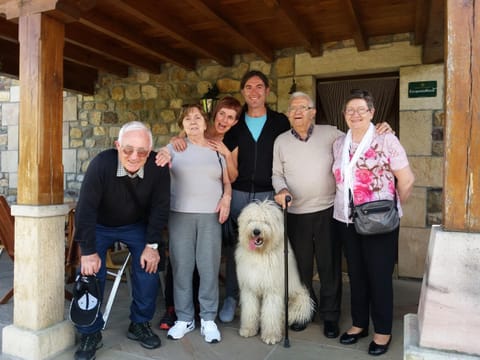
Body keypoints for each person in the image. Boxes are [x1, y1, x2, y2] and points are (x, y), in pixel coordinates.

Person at [272, 92, 393, 338]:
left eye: (303, 107)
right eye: (292, 108)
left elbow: (360, 138)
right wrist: (281, 188)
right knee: (301, 267)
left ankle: (330, 316)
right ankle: (304, 311)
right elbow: (276, 173)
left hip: (328, 210)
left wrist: (382, 129)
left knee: (329, 267)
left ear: (313, 112)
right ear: (287, 114)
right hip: (296, 212)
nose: (297, 112)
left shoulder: (332, 134)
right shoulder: (281, 141)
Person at [73, 121, 170, 360]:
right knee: (90, 272)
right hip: (100, 225)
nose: (135, 156)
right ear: (117, 146)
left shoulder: (158, 167)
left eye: (142, 151)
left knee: (149, 266)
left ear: (150, 151)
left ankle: (139, 323)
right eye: (128, 149)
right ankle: (90, 332)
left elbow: (160, 207)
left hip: (135, 225)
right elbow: (84, 209)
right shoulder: (101, 165)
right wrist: (87, 251)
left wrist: (152, 245)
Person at [332, 89, 414, 356]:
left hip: (380, 222)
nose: (355, 114)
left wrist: (393, 207)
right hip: (347, 219)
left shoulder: (386, 139)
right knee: (356, 275)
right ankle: (359, 325)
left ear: (372, 113)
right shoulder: (339, 143)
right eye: (350, 110)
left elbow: (407, 179)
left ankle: (382, 331)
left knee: (379, 277)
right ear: (344, 114)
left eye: (361, 109)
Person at [156, 96, 242, 330]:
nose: (193, 122)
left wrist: (227, 197)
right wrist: (162, 155)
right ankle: (184, 318)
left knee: (208, 268)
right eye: (187, 119)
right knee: (182, 268)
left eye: (197, 118)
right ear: (182, 126)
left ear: (206, 124)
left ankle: (207, 318)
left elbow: (228, 181)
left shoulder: (217, 150)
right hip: (180, 215)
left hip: (210, 217)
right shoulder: (174, 147)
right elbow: (158, 161)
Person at [219, 70, 291, 323]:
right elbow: (216, 147)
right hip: (238, 195)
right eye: (248, 87)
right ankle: (232, 297)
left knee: (269, 249)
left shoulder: (280, 122)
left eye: (259, 86)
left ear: (267, 91)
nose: (254, 92)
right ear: (243, 92)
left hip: (269, 195)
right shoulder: (235, 126)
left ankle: (270, 300)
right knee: (237, 249)